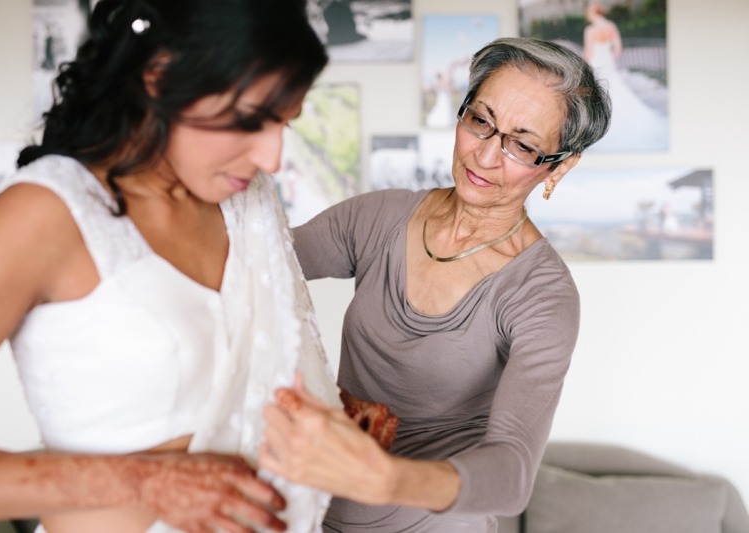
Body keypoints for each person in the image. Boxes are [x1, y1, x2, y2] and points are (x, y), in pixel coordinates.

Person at [0, 1, 343, 532]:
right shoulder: (45, 216)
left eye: (284, 124)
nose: (271, 158)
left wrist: (334, 409)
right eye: (251, 120)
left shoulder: (245, 200)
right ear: (160, 76)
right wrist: (144, 482)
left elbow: (246, 371)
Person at [259, 37, 612, 532]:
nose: (486, 155)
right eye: (481, 120)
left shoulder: (541, 295)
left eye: (523, 145)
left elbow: (511, 475)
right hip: (316, 510)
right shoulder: (378, 217)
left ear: (558, 166)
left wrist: (383, 478)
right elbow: (252, 267)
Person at [583, 1, 666, 151]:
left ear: (592, 13)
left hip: (596, 64)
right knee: (616, 92)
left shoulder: (590, 30)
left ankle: (600, 124)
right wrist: (611, 60)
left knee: (599, 93)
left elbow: (588, 52)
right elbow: (618, 47)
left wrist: (584, 67)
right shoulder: (611, 26)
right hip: (608, 64)